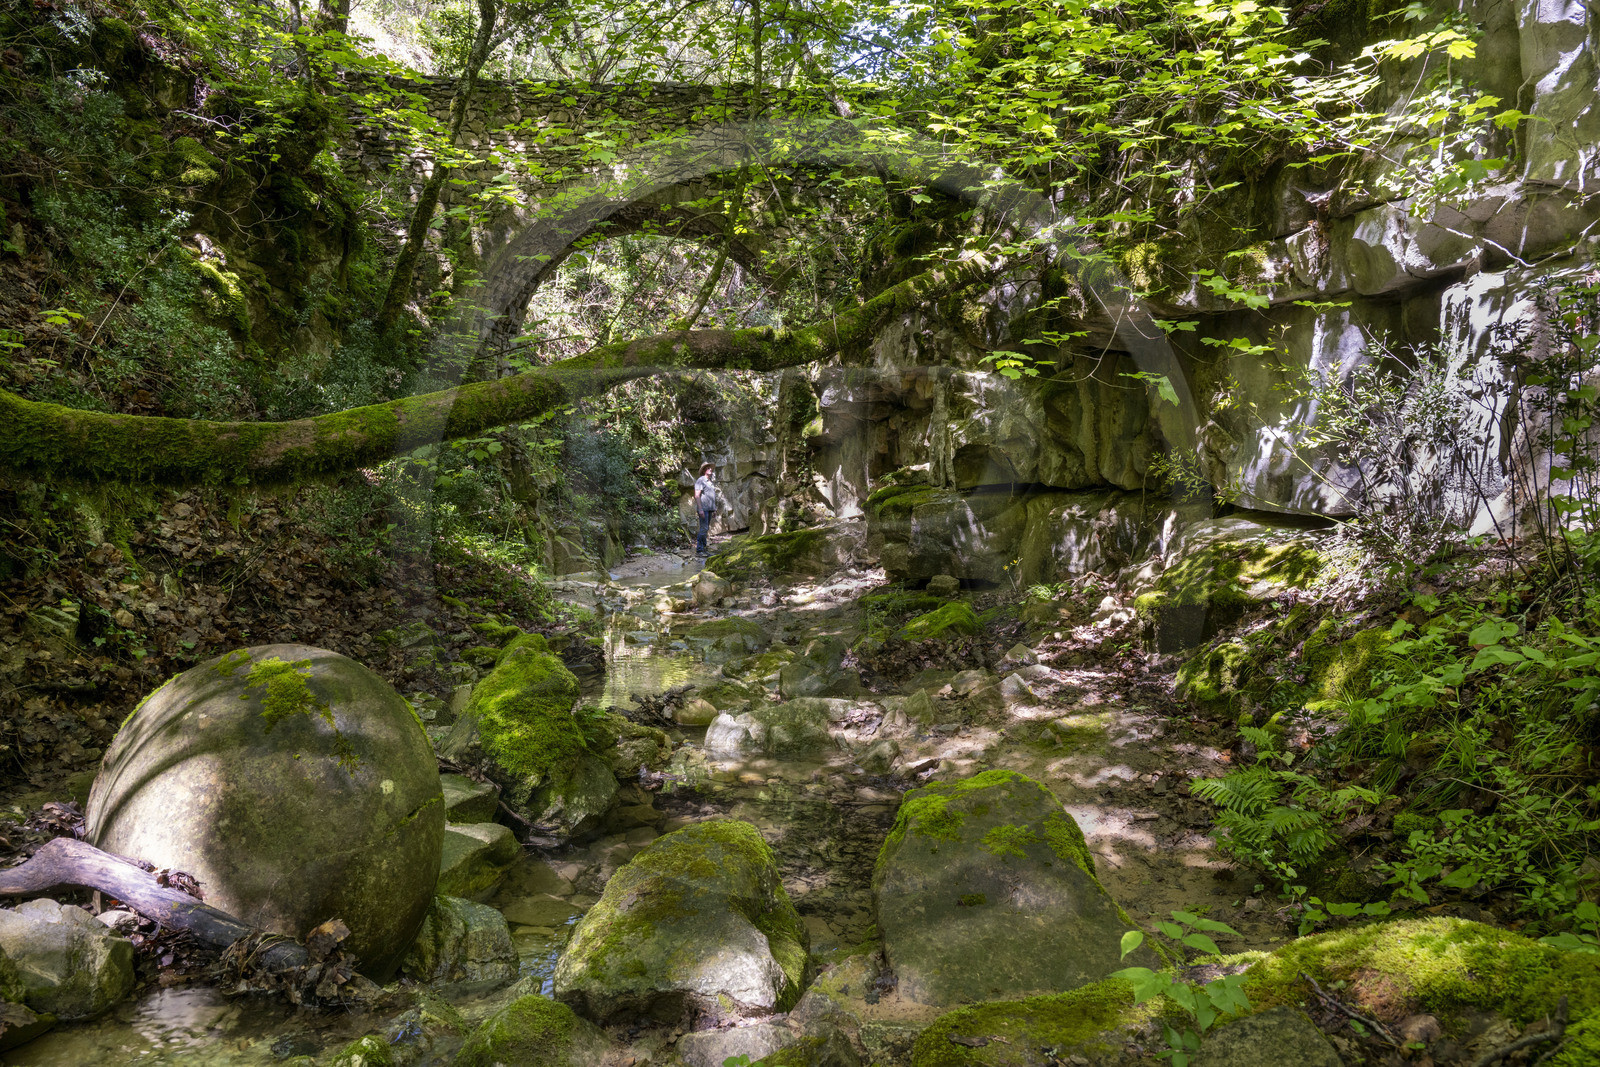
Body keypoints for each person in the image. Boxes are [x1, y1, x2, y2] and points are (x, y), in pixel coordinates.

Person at [693, 462, 719, 556]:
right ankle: (699, 550)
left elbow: (711, 496)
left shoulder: (710, 482)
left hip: (709, 509)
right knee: (703, 529)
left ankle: (703, 549)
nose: (710, 469)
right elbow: (697, 495)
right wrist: (700, 509)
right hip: (703, 509)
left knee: (706, 528)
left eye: (711, 468)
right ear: (704, 470)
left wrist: (714, 509)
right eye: (708, 468)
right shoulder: (701, 480)